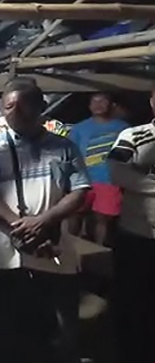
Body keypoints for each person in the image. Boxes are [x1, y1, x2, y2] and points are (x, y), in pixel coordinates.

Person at [0, 80, 89, 363]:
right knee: (7, 323)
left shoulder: (64, 147)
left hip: (53, 246)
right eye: (9, 106)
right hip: (4, 252)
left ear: (41, 107)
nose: (15, 112)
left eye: (23, 105)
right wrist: (19, 226)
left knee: (59, 324)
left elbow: (80, 190)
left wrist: (45, 220)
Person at [107, 88, 155, 363]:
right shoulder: (134, 136)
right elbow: (116, 171)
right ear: (152, 101)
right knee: (134, 306)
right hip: (137, 236)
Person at [67, 93, 128, 245]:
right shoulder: (79, 128)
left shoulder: (123, 128)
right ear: (89, 106)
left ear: (111, 105)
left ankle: (100, 252)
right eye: (95, 102)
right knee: (75, 214)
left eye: (103, 101)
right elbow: (70, 154)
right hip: (82, 180)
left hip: (110, 180)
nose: (98, 105)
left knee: (104, 219)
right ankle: (71, 249)